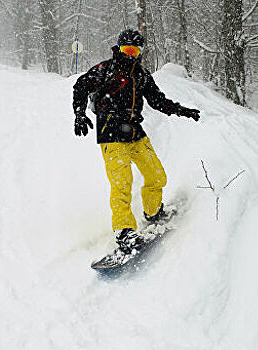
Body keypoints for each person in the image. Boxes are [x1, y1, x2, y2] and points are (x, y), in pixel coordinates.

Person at [72, 29, 200, 254]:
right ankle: (124, 233)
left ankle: (153, 212)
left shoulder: (141, 75)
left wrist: (181, 110)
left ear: (140, 52)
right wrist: (79, 114)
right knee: (121, 184)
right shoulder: (105, 70)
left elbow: (158, 100)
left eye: (134, 50)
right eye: (126, 50)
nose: (129, 55)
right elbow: (80, 86)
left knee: (156, 175)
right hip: (110, 134)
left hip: (134, 132)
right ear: (119, 49)